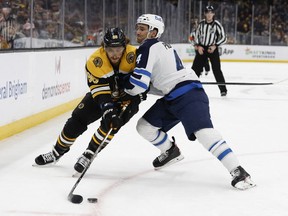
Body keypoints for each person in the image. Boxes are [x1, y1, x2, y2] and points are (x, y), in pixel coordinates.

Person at [124, 14, 256, 190]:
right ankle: (171, 151)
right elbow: (156, 82)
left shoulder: (148, 46)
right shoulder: (160, 47)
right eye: (138, 28)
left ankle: (238, 171)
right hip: (173, 96)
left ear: (153, 32)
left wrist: (121, 85)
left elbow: (139, 85)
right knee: (145, 126)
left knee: (204, 133)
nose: (137, 32)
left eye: (142, 28)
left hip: (188, 95)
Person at [34, 27, 145, 173]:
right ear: (103, 47)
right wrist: (108, 109)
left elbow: (147, 77)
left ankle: (89, 153)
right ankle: (57, 152)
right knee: (77, 120)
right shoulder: (95, 61)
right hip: (104, 96)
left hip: (128, 99)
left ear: (124, 46)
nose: (115, 54)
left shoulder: (135, 55)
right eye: (111, 49)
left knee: (110, 125)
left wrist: (139, 95)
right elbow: (100, 93)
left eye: (118, 49)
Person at [191, 6, 227, 96]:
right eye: (207, 12)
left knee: (217, 70)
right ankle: (190, 88)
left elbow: (224, 38)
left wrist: (215, 46)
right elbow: (192, 36)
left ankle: (223, 90)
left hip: (212, 49)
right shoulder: (201, 24)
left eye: (211, 12)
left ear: (213, 14)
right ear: (205, 14)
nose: (209, 14)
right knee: (195, 69)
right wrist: (197, 46)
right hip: (202, 48)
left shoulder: (217, 24)